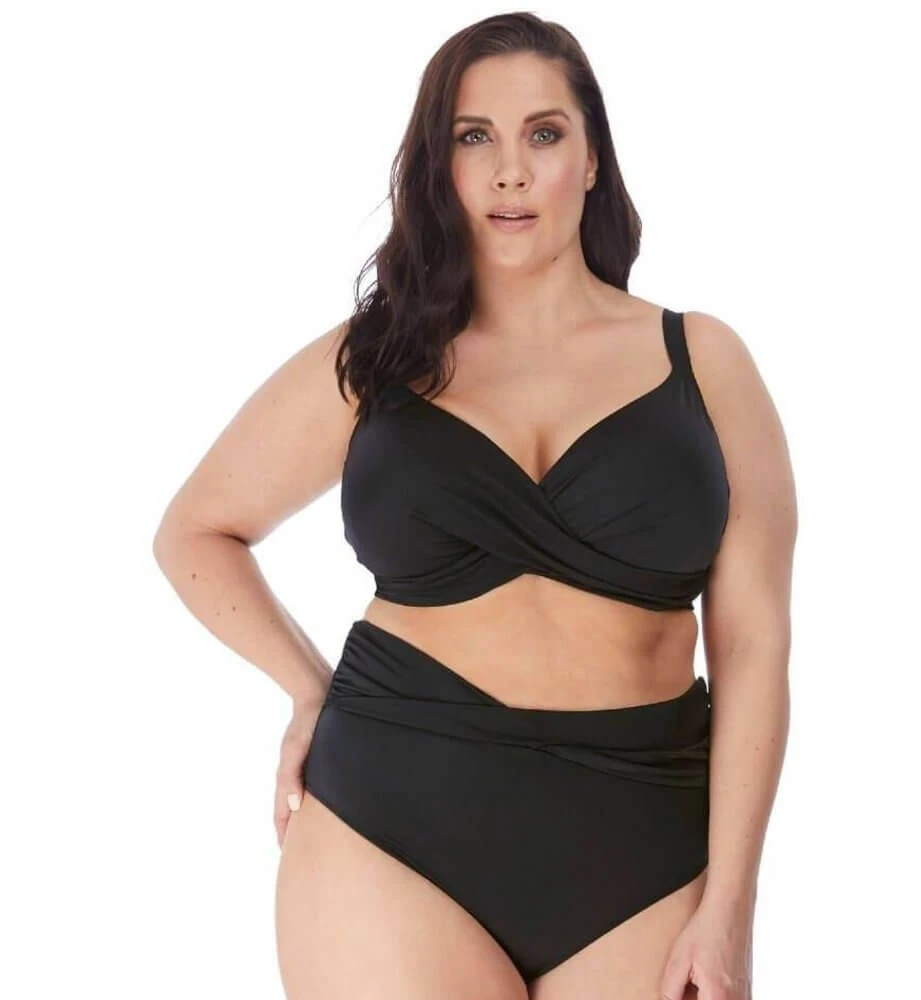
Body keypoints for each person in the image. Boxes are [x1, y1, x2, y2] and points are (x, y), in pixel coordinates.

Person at [153, 12, 796, 1000]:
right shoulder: (377, 358)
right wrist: (309, 688)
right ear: (439, 165)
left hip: (643, 839)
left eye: (543, 134)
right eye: (473, 137)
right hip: (390, 827)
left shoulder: (705, 361)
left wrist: (733, 906)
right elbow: (196, 531)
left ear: (592, 158)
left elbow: (753, 644)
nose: (509, 172)